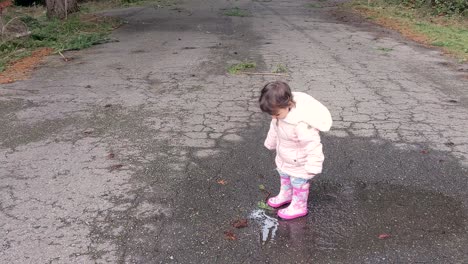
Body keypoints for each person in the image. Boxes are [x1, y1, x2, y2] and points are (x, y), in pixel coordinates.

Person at [259, 81, 332, 220]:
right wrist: (270, 143)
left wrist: (314, 165)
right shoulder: (278, 116)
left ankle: (299, 205)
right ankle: (286, 194)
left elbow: (313, 144)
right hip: (285, 157)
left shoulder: (300, 124)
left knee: (298, 182)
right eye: (271, 114)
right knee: (284, 175)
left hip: (300, 162)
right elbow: (274, 130)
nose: (273, 117)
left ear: (288, 105)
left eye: (276, 114)